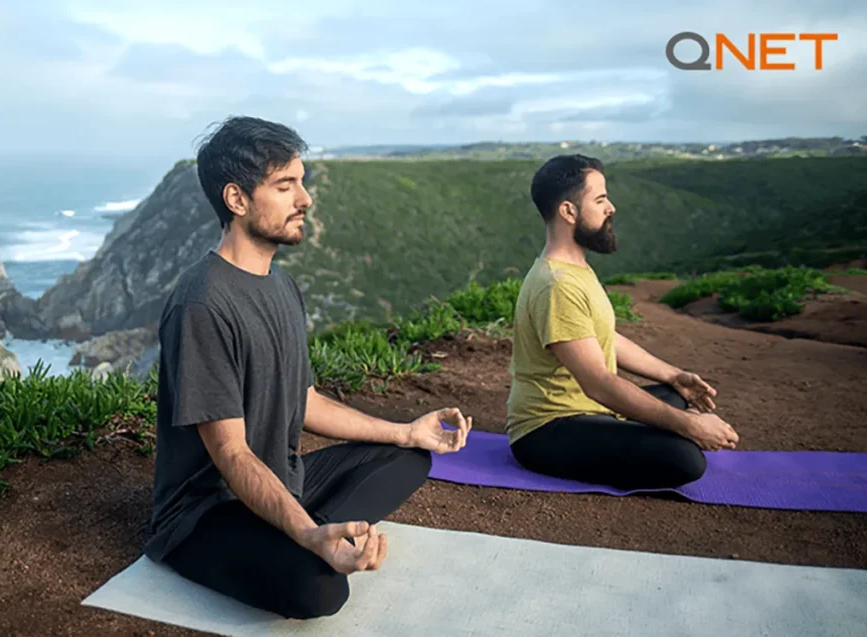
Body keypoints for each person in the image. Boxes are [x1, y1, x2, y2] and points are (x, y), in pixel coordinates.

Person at [144, 116, 473, 620]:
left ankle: (299, 527)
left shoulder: (282, 286)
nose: (305, 199)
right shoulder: (203, 304)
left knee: (407, 458)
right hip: (207, 510)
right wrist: (306, 532)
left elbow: (305, 401)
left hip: (282, 477)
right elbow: (230, 452)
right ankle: (304, 533)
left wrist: (407, 431)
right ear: (237, 200)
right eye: (285, 186)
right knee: (320, 593)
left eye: (301, 182)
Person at [506, 154, 739, 491]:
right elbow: (598, 383)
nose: (611, 207)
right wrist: (688, 426)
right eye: (600, 199)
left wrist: (674, 375)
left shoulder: (576, 268)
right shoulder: (557, 285)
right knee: (685, 459)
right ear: (568, 212)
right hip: (547, 430)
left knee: (674, 397)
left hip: (588, 411)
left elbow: (605, 338)